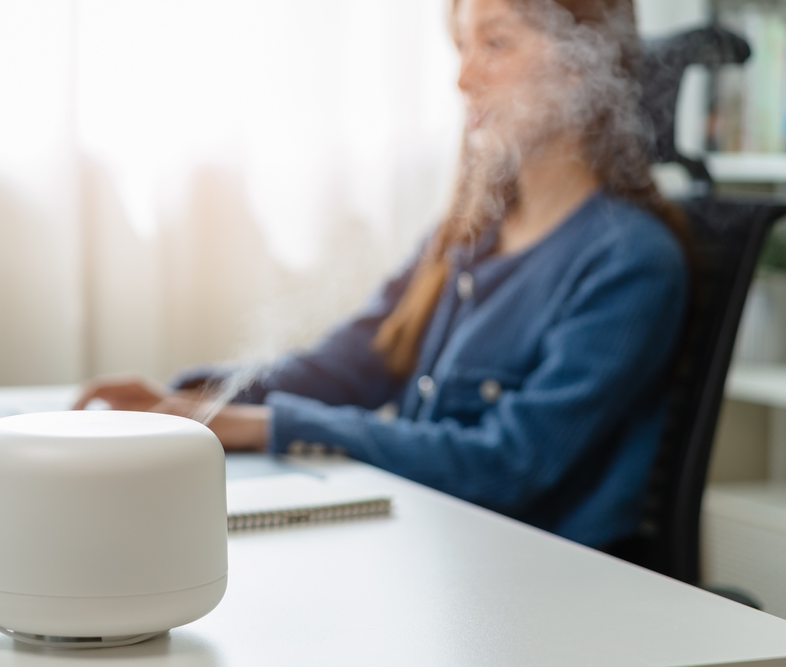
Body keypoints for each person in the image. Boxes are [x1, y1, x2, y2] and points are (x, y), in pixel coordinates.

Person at [75, 0, 689, 549]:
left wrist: (260, 425)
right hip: (435, 544)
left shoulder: (631, 261)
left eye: (496, 43)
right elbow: (351, 365)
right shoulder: (465, 235)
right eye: (461, 46)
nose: (463, 78)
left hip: (540, 580)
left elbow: (508, 464)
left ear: (583, 65)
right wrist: (194, 399)